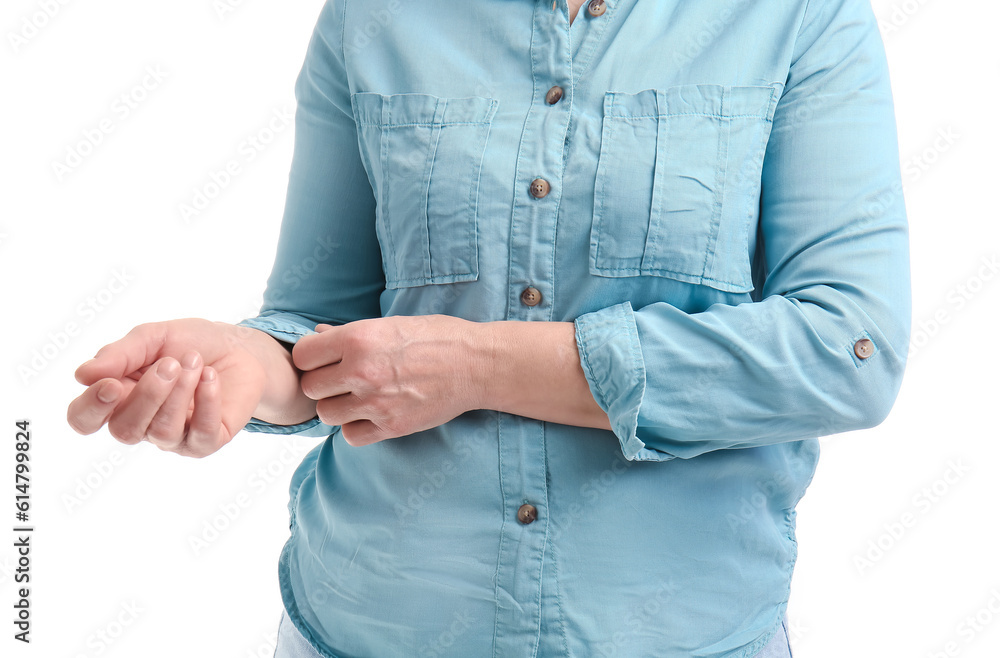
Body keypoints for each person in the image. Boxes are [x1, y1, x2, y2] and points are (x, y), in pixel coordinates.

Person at [67, 0, 911, 655]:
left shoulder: (798, 18)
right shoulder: (375, 20)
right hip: (367, 625)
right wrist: (248, 366)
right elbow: (324, 323)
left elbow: (848, 350)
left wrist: (479, 364)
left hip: (688, 631)